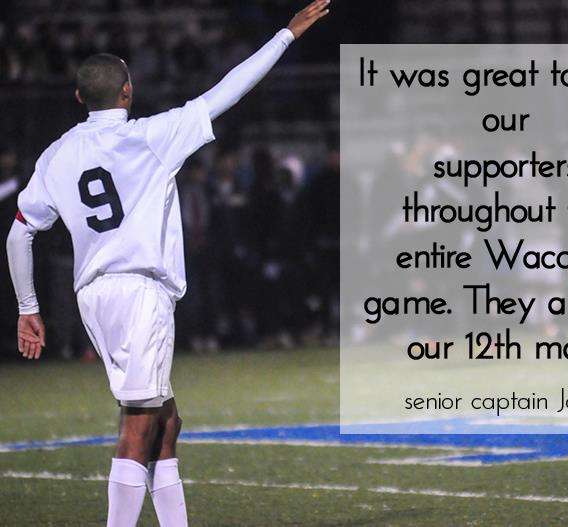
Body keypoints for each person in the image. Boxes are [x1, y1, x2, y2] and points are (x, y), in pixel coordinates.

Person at [5, 2, 330, 526]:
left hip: (93, 297)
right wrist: (287, 35)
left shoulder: (56, 154)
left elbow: (20, 232)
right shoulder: (151, 137)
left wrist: (27, 308)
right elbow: (229, 90)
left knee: (167, 421)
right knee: (139, 427)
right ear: (127, 91)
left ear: (79, 99)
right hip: (139, 294)